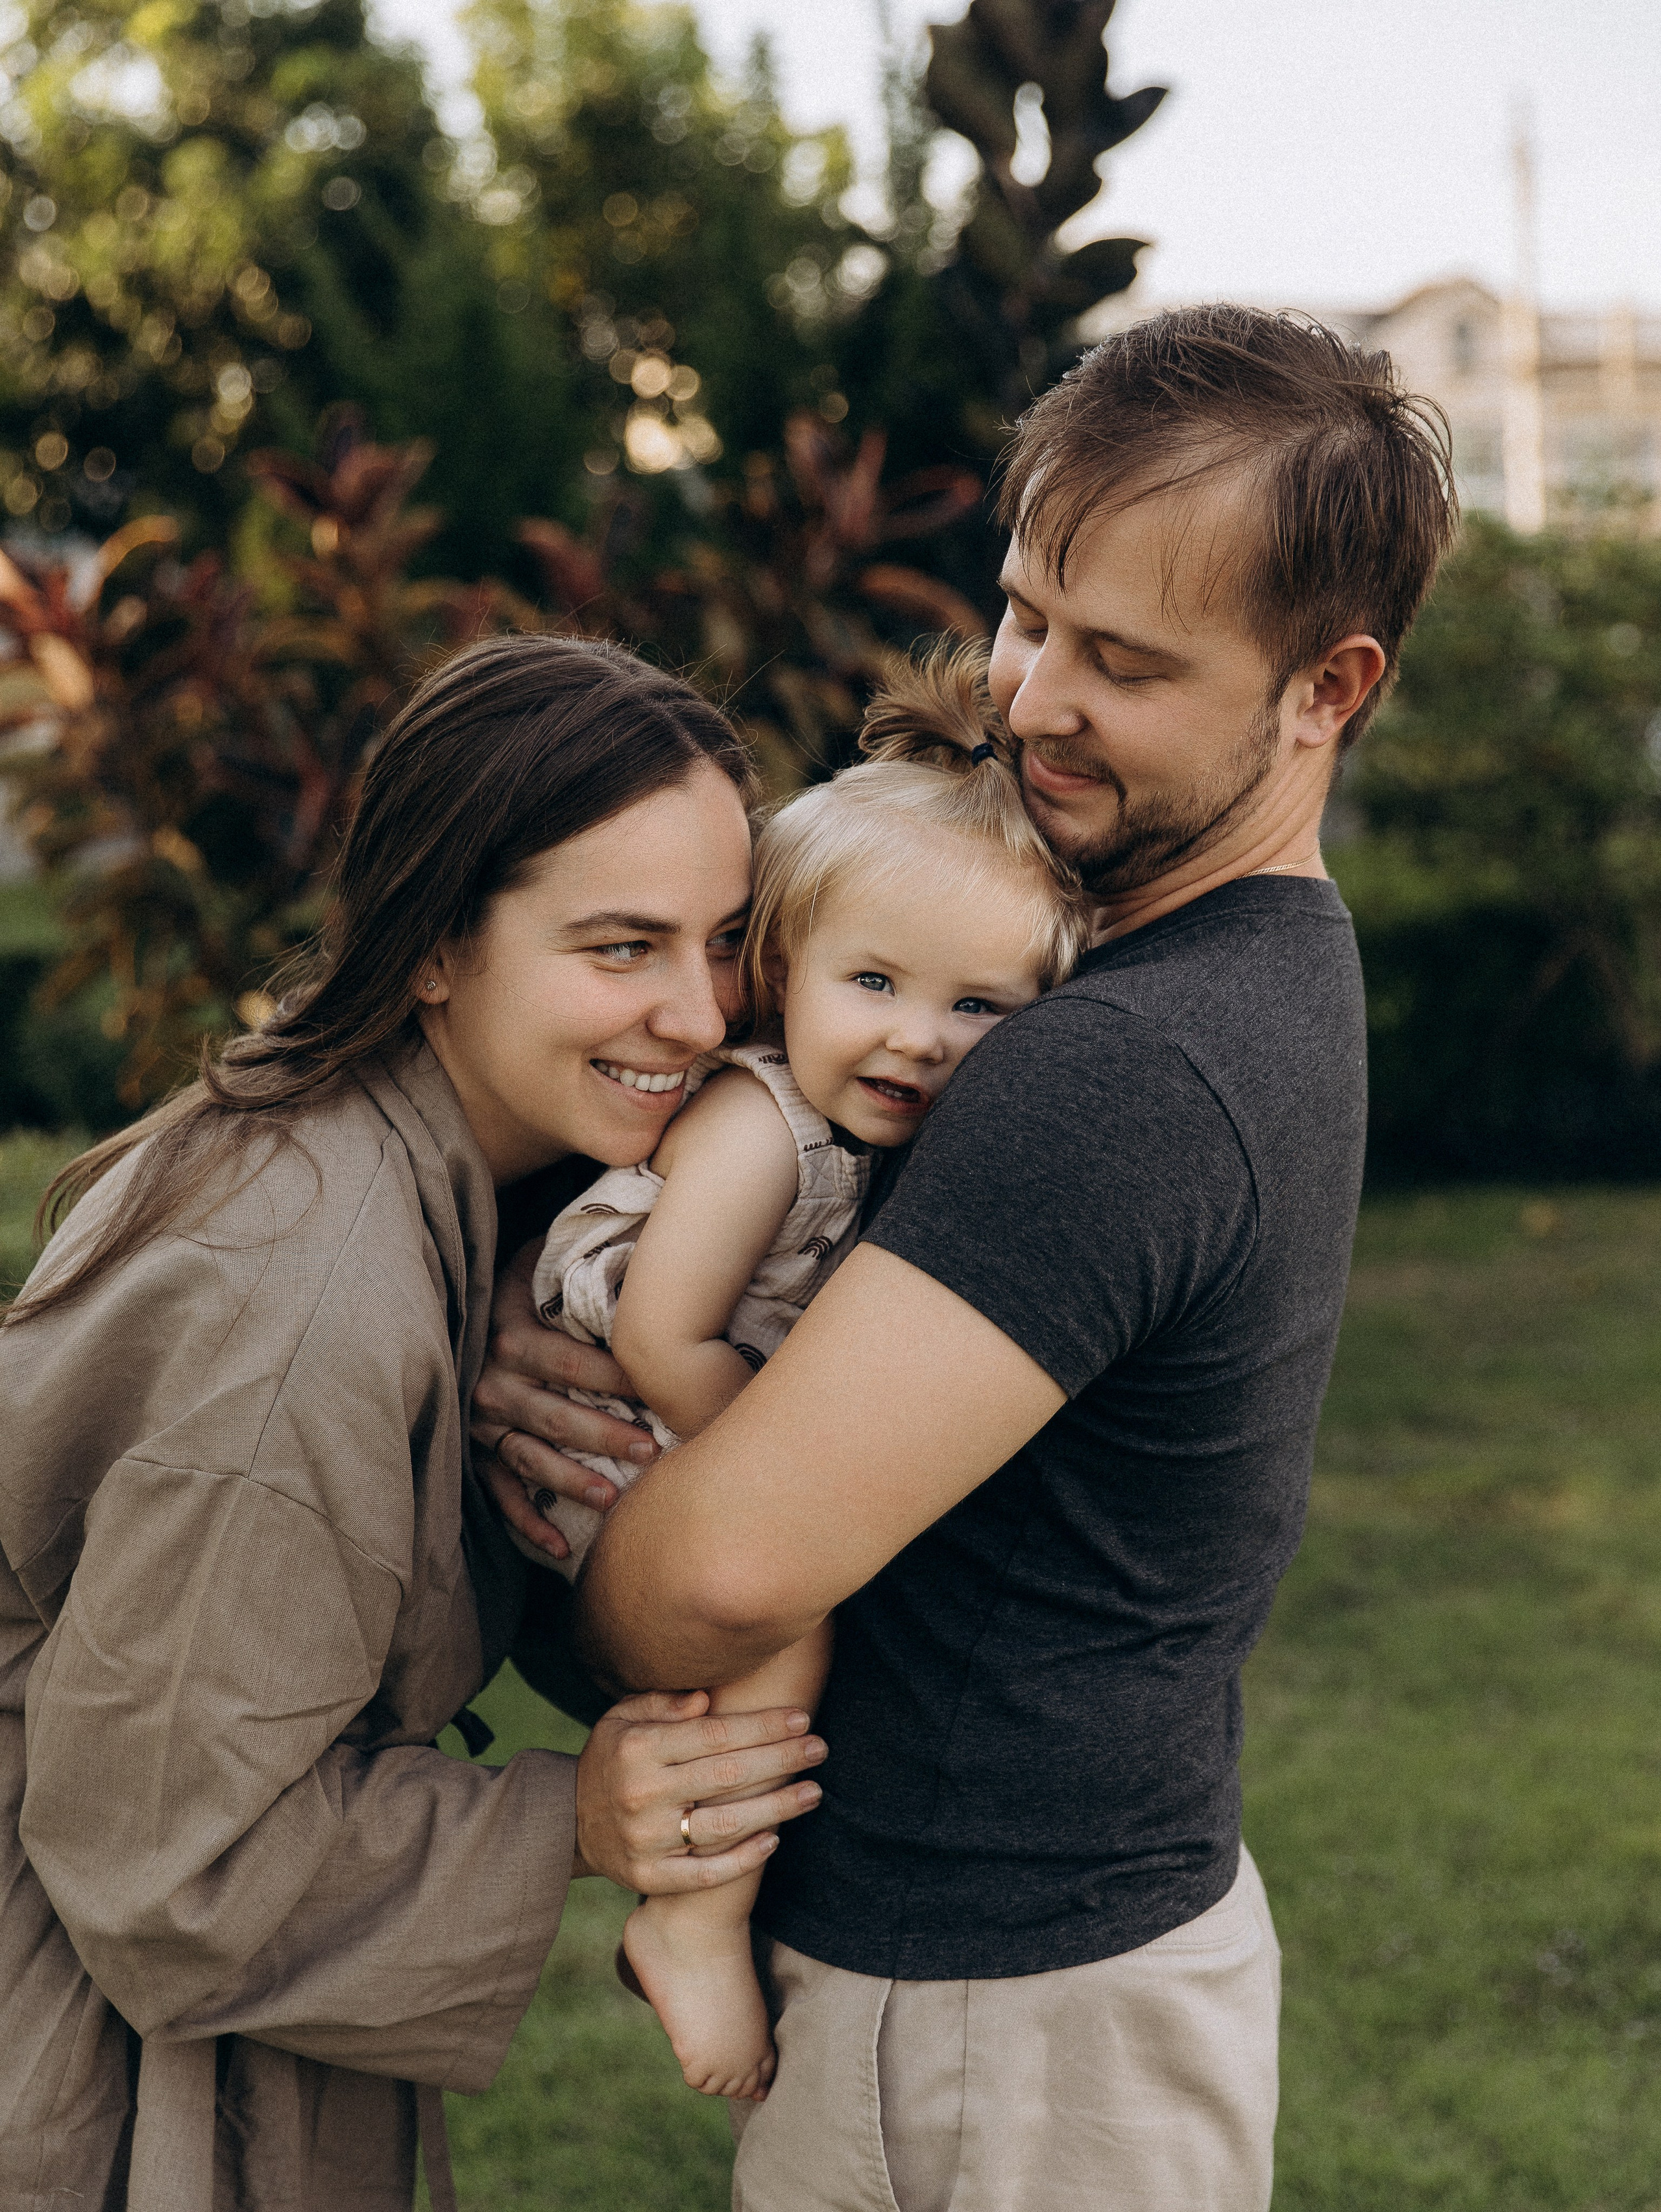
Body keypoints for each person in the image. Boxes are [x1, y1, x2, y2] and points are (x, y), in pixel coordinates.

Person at [479, 308, 1461, 2211]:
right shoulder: (1237, 973)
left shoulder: (1113, 1066)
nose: (1025, 699)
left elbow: (720, 1580)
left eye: (1123, 663)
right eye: (1025, 614)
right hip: (1064, 1964)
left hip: (992, 2022)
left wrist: (536, 1487)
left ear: (1327, 687)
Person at [0, 634, 831, 2212]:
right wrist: (568, 1820)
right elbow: (170, 1866)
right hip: (87, 2080)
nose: (697, 1012)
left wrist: (518, 1288)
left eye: (724, 942)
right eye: (619, 946)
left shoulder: (451, 1204)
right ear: (437, 944)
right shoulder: (296, 1318)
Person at [521, 644, 1089, 2102]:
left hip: (676, 1412)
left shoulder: (877, 1137)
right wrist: (808, 1495)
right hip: (620, 1417)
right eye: (876, 981)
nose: (917, 1034)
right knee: (786, 1627)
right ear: (783, 972)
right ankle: (694, 1921)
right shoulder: (758, 1123)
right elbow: (657, 1334)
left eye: (977, 1008)